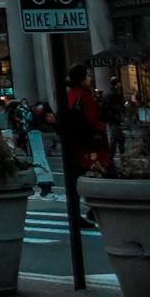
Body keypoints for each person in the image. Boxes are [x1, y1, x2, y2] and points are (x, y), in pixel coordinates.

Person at [62, 65, 107, 227]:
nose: (91, 78)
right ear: (81, 79)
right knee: (101, 175)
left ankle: (80, 214)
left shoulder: (71, 94)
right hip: (90, 144)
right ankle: (93, 211)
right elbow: (92, 120)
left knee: (77, 179)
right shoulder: (85, 95)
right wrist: (103, 127)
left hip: (76, 143)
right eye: (88, 76)